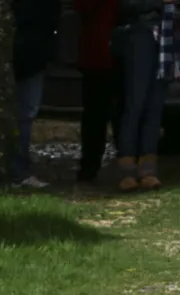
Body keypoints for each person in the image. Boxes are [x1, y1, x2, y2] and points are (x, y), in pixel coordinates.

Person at [112, 0, 180, 191]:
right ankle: (126, 170)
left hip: (166, 33)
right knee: (135, 103)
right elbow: (124, 6)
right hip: (138, 35)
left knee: (155, 106)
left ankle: (148, 170)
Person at [12, 0, 64, 188]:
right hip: (28, 52)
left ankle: (19, 168)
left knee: (25, 113)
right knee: (25, 113)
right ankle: (18, 169)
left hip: (32, 53)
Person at [75, 0, 123, 183]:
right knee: (96, 114)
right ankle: (91, 164)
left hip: (107, 51)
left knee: (106, 114)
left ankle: (122, 162)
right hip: (98, 54)